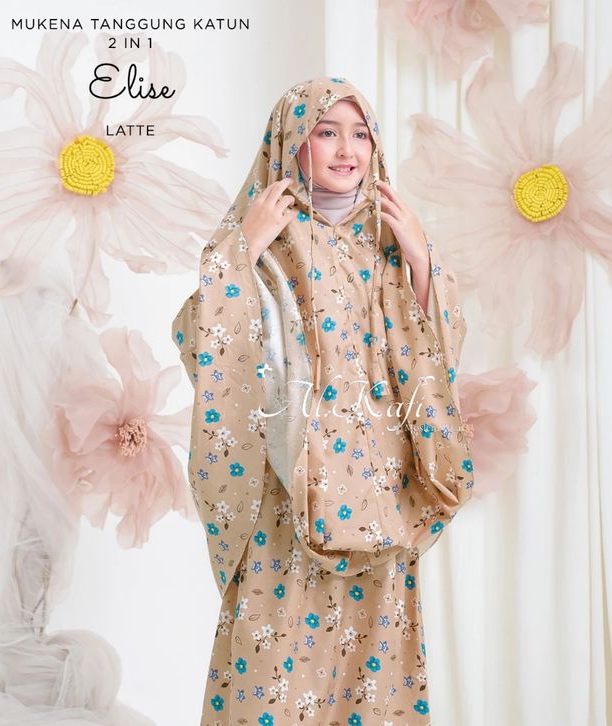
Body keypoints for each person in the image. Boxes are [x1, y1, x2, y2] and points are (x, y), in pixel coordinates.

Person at [172, 76, 474, 725]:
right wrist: (244, 248)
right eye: (326, 131)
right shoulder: (265, 237)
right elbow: (200, 340)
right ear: (291, 143)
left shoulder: (388, 241)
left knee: (373, 668)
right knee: (274, 664)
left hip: (378, 492)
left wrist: (422, 261)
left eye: (360, 134)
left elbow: (436, 356)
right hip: (289, 487)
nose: (347, 149)